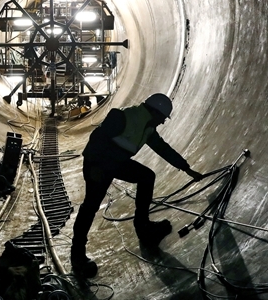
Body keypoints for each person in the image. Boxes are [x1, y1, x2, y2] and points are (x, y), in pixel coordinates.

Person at [70, 93, 204, 277]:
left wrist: (186, 168)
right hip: (99, 165)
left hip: (116, 163)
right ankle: (77, 255)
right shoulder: (124, 117)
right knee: (91, 206)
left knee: (146, 177)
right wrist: (94, 166)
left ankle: (144, 228)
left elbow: (163, 148)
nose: (163, 122)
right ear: (155, 113)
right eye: (163, 118)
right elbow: (96, 138)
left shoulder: (147, 128)